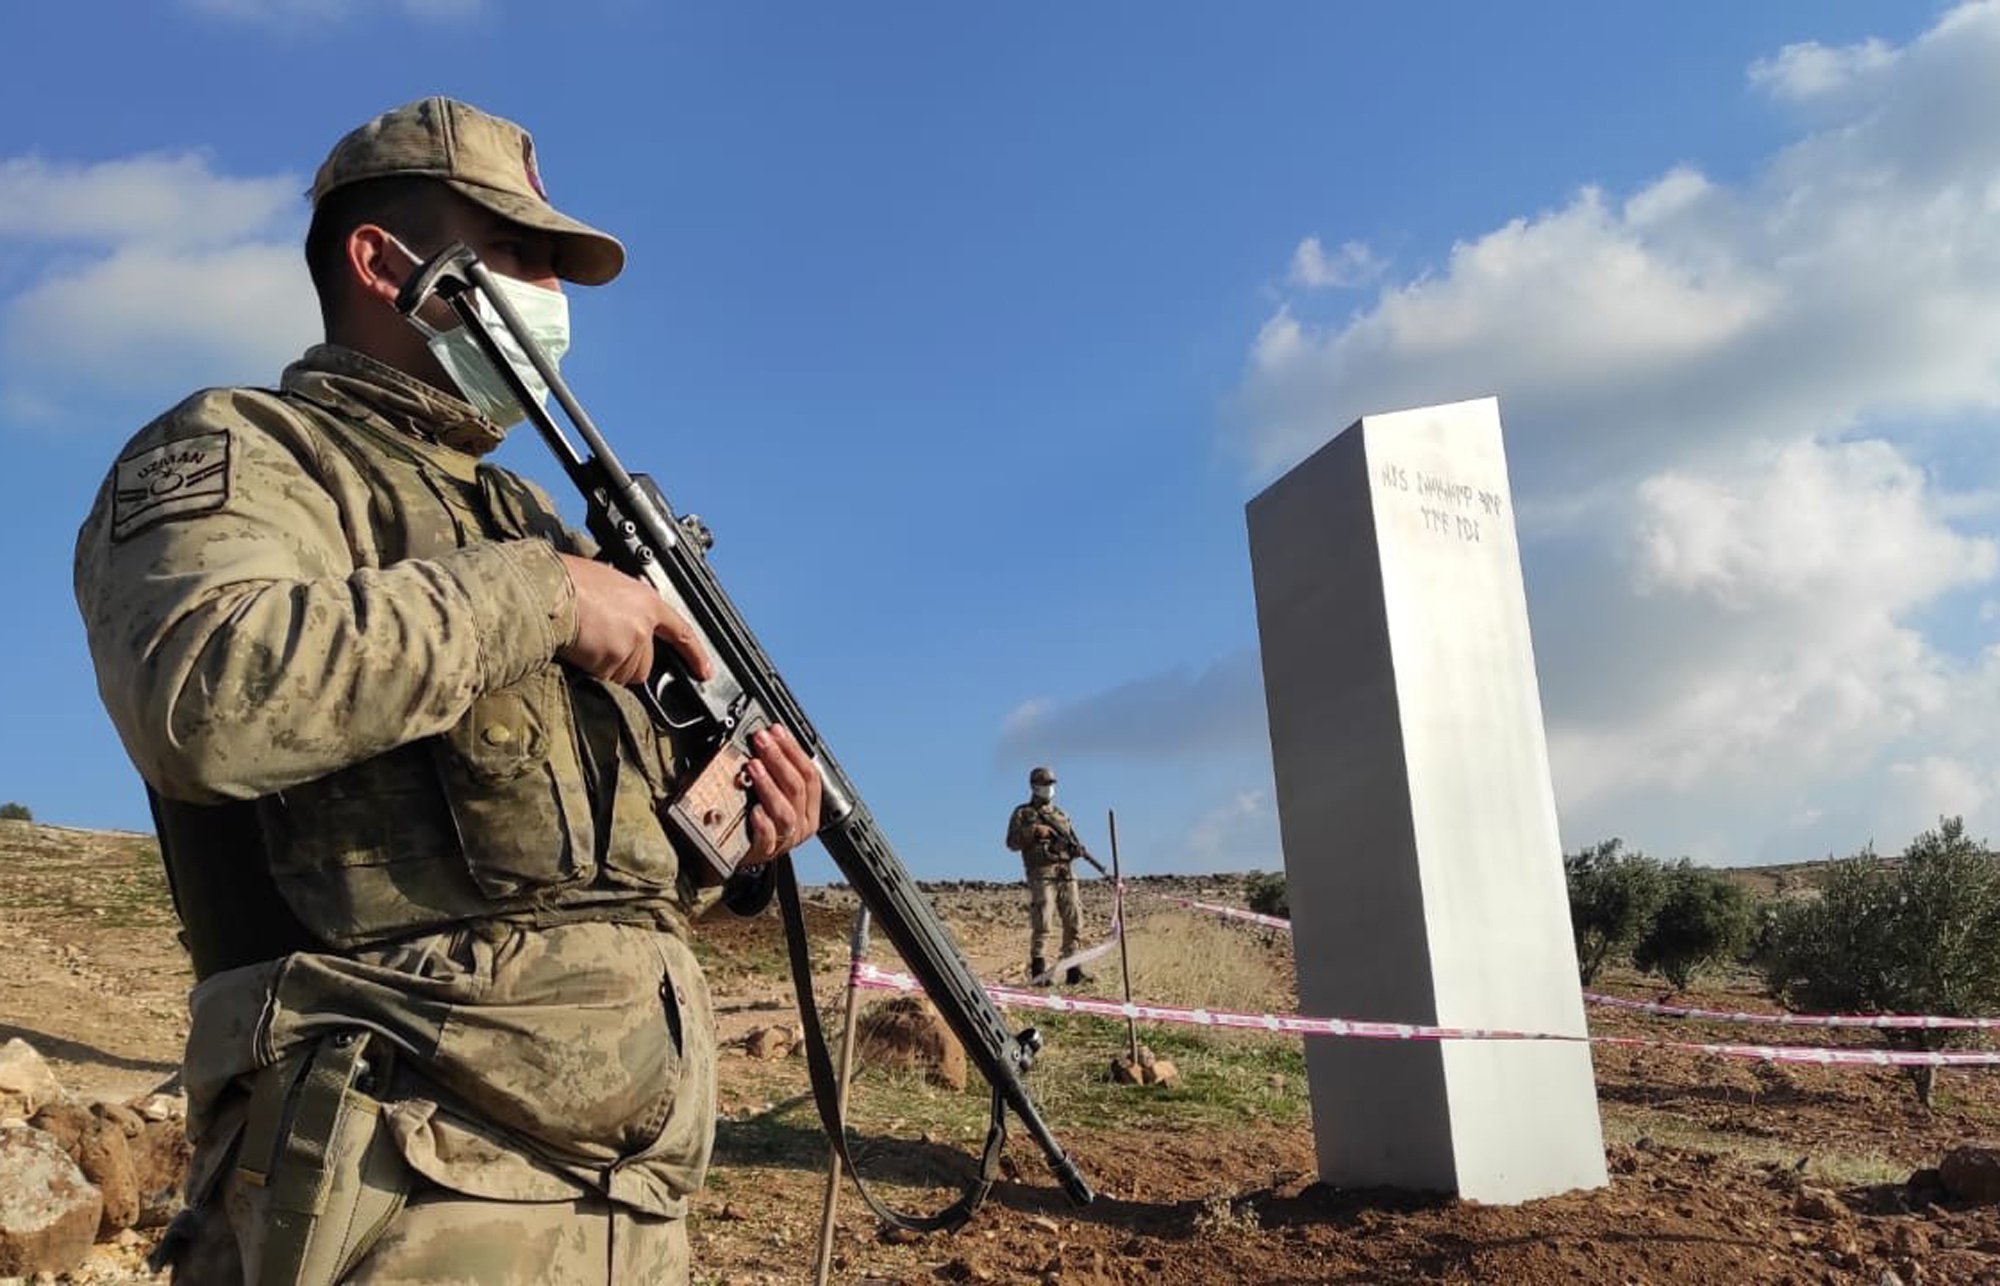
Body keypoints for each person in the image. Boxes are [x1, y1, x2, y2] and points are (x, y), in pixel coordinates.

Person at [71, 97, 822, 1285]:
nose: (551, 299)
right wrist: (548, 601)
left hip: (628, 1196)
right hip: (397, 1179)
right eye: (519, 256)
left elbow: (575, 861)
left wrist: (737, 831)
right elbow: (203, 697)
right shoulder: (248, 449)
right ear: (382, 262)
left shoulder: (522, 518)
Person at [1003, 765, 1092, 985]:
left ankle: (1074, 970)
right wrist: (1033, 832)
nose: (1049, 788)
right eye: (1044, 784)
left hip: (1066, 872)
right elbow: (1012, 842)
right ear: (1034, 786)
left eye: (1051, 784)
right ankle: (1039, 972)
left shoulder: (1061, 814)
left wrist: (1077, 850)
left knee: (1074, 922)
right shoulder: (1023, 813)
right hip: (1041, 873)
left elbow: (1072, 842)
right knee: (1043, 922)